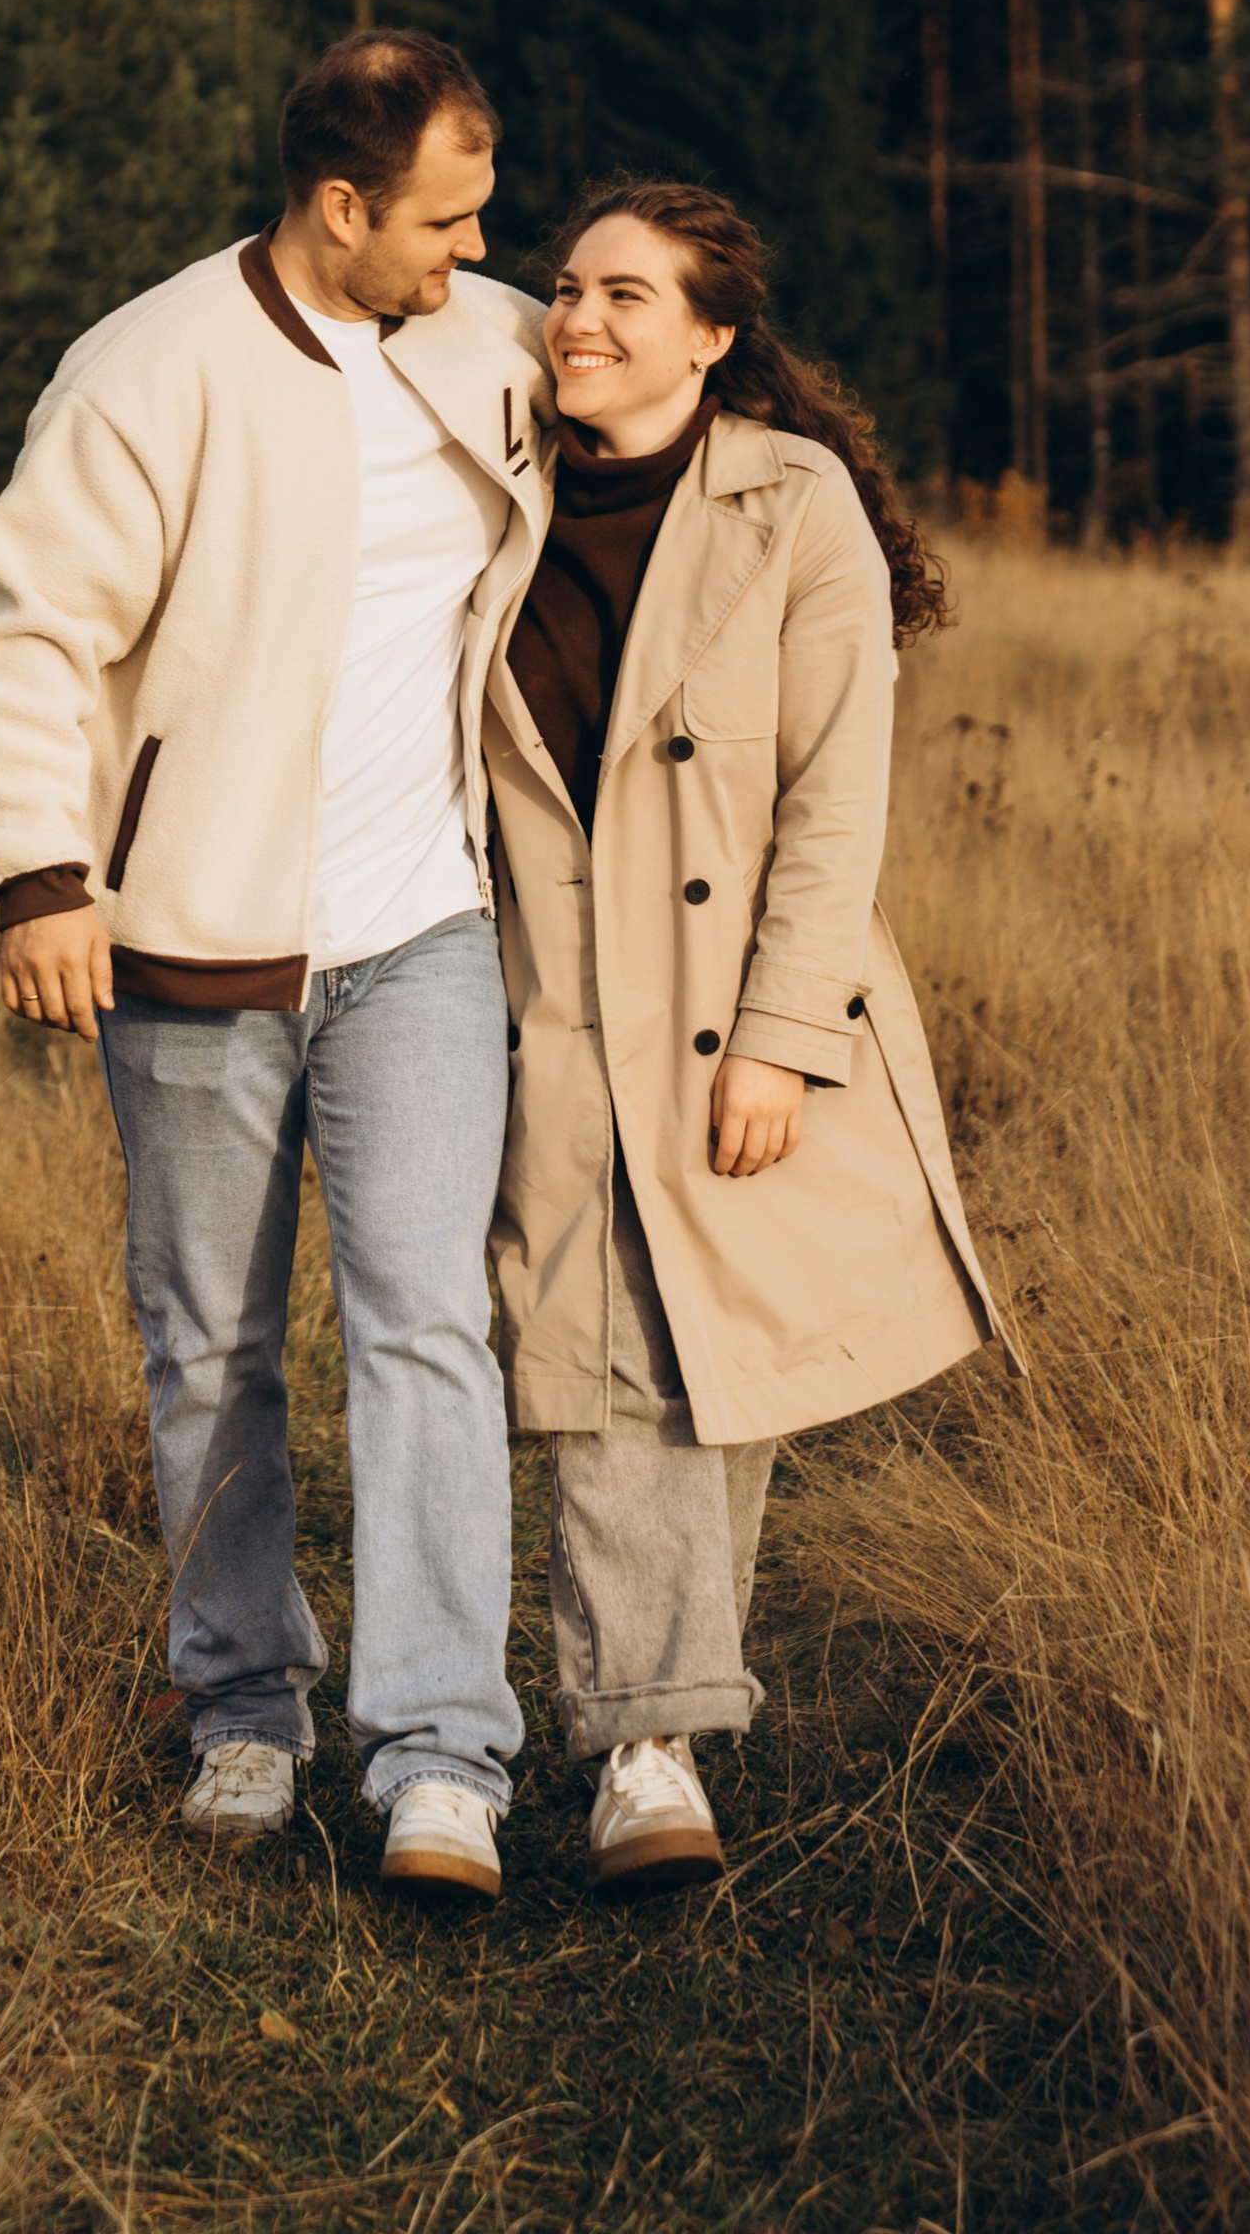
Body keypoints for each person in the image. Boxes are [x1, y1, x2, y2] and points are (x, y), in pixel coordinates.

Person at [0, 32, 551, 1897]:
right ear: (340, 205)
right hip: (191, 944)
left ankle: (443, 1750)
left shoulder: (500, 339)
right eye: (443, 221)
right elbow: (34, 630)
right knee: (210, 1344)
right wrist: (44, 874)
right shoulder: (148, 370)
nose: (471, 254)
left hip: (426, 932)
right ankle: (245, 1711)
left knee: (428, 1325)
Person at [483, 178, 999, 1899]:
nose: (581, 317)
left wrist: (778, 1037)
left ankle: (660, 1718)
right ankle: (647, 1746)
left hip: (734, 1014)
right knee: (609, 1351)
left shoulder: (796, 505)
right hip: (548, 1005)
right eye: (565, 287)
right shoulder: (489, 499)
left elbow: (835, 796)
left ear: (712, 337)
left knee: (720, 1361)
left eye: (629, 295)